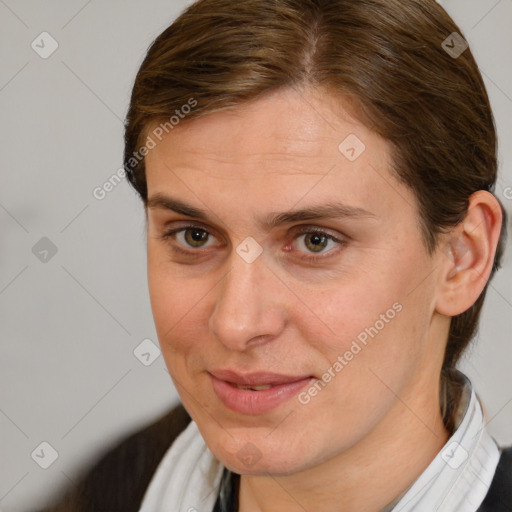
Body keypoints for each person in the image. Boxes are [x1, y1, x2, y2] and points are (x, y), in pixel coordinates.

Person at [38, 0, 511, 511]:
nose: (236, 324)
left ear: (462, 257)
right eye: (194, 235)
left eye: (315, 241)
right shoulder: (109, 488)